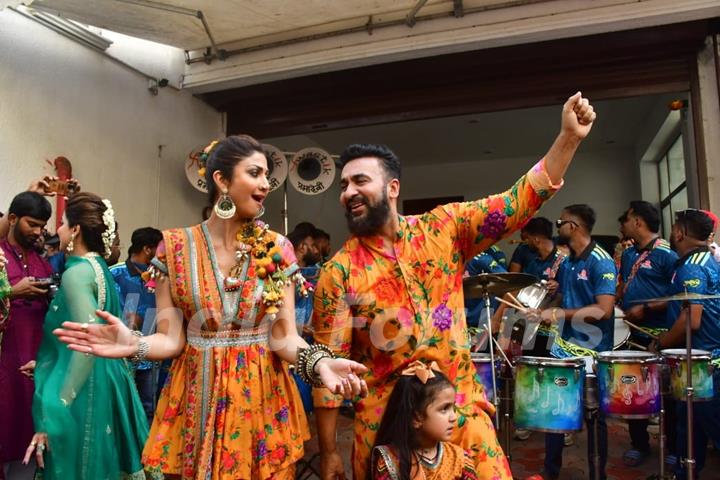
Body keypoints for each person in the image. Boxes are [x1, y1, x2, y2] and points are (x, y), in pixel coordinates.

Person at [312, 92, 597, 480]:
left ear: (393, 188)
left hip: (461, 416)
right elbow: (328, 371)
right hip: (386, 432)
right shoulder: (338, 272)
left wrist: (569, 138)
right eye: (343, 185)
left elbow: (517, 203)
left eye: (360, 180)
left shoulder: (444, 228)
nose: (348, 192)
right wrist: (329, 452)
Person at [54, 135, 369, 480]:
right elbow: (171, 340)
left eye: (267, 175)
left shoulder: (277, 248)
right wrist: (135, 344)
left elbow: (284, 338)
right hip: (196, 404)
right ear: (221, 180)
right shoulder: (172, 249)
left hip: (262, 403)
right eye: (254, 173)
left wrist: (320, 362)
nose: (265, 184)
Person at [22, 193, 148, 479]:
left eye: (64, 223)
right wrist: (48, 365)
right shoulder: (99, 268)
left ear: (76, 230)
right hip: (109, 380)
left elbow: (86, 345)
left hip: (86, 388)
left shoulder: (76, 274)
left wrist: (55, 408)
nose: (59, 231)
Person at [530, 204, 616, 480]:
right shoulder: (567, 262)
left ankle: (597, 473)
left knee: (594, 417)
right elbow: (564, 300)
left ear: (574, 227)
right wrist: (541, 310)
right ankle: (550, 471)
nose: (558, 227)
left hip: (593, 352)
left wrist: (559, 313)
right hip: (564, 349)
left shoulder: (600, 260)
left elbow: (604, 309)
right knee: (554, 409)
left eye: (561, 222)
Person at [652, 209, 720, 480]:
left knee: (708, 424)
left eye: (674, 228)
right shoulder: (710, 259)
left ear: (679, 233)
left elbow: (691, 319)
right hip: (699, 362)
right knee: (690, 428)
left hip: (706, 365)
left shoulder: (692, 266)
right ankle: (684, 473)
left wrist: (661, 343)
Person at [616, 201, 678, 467]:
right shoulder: (629, 254)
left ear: (638, 222)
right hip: (632, 335)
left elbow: (681, 296)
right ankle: (639, 444)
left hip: (661, 336)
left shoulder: (668, 256)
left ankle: (675, 447)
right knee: (633, 391)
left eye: (628, 219)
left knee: (668, 395)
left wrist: (648, 307)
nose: (625, 224)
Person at [0, 192, 53, 477]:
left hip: (33, 365)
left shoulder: (42, 263)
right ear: (12, 219)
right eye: (32, 224)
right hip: (4, 362)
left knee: (27, 438)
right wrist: (11, 291)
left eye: (42, 226)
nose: (37, 231)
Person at [371, 361, 478, 480]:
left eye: (453, 407)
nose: (453, 417)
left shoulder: (460, 460)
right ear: (416, 418)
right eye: (444, 409)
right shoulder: (391, 460)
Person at [110, 226, 164, 423]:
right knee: (122, 408)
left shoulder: (160, 277)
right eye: (159, 249)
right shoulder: (115, 274)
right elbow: (110, 311)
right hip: (121, 356)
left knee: (149, 409)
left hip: (151, 356)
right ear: (148, 249)